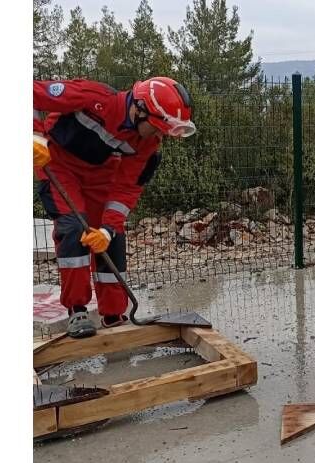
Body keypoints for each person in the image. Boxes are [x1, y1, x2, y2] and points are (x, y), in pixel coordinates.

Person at [33, 77, 196, 338]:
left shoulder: (147, 144)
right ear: (139, 110)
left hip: (100, 176)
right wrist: (34, 135)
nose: (158, 135)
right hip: (59, 164)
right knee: (74, 230)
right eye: (156, 128)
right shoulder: (93, 97)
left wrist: (108, 229)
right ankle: (77, 311)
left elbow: (126, 189)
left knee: (111, 239)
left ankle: (113, 315)